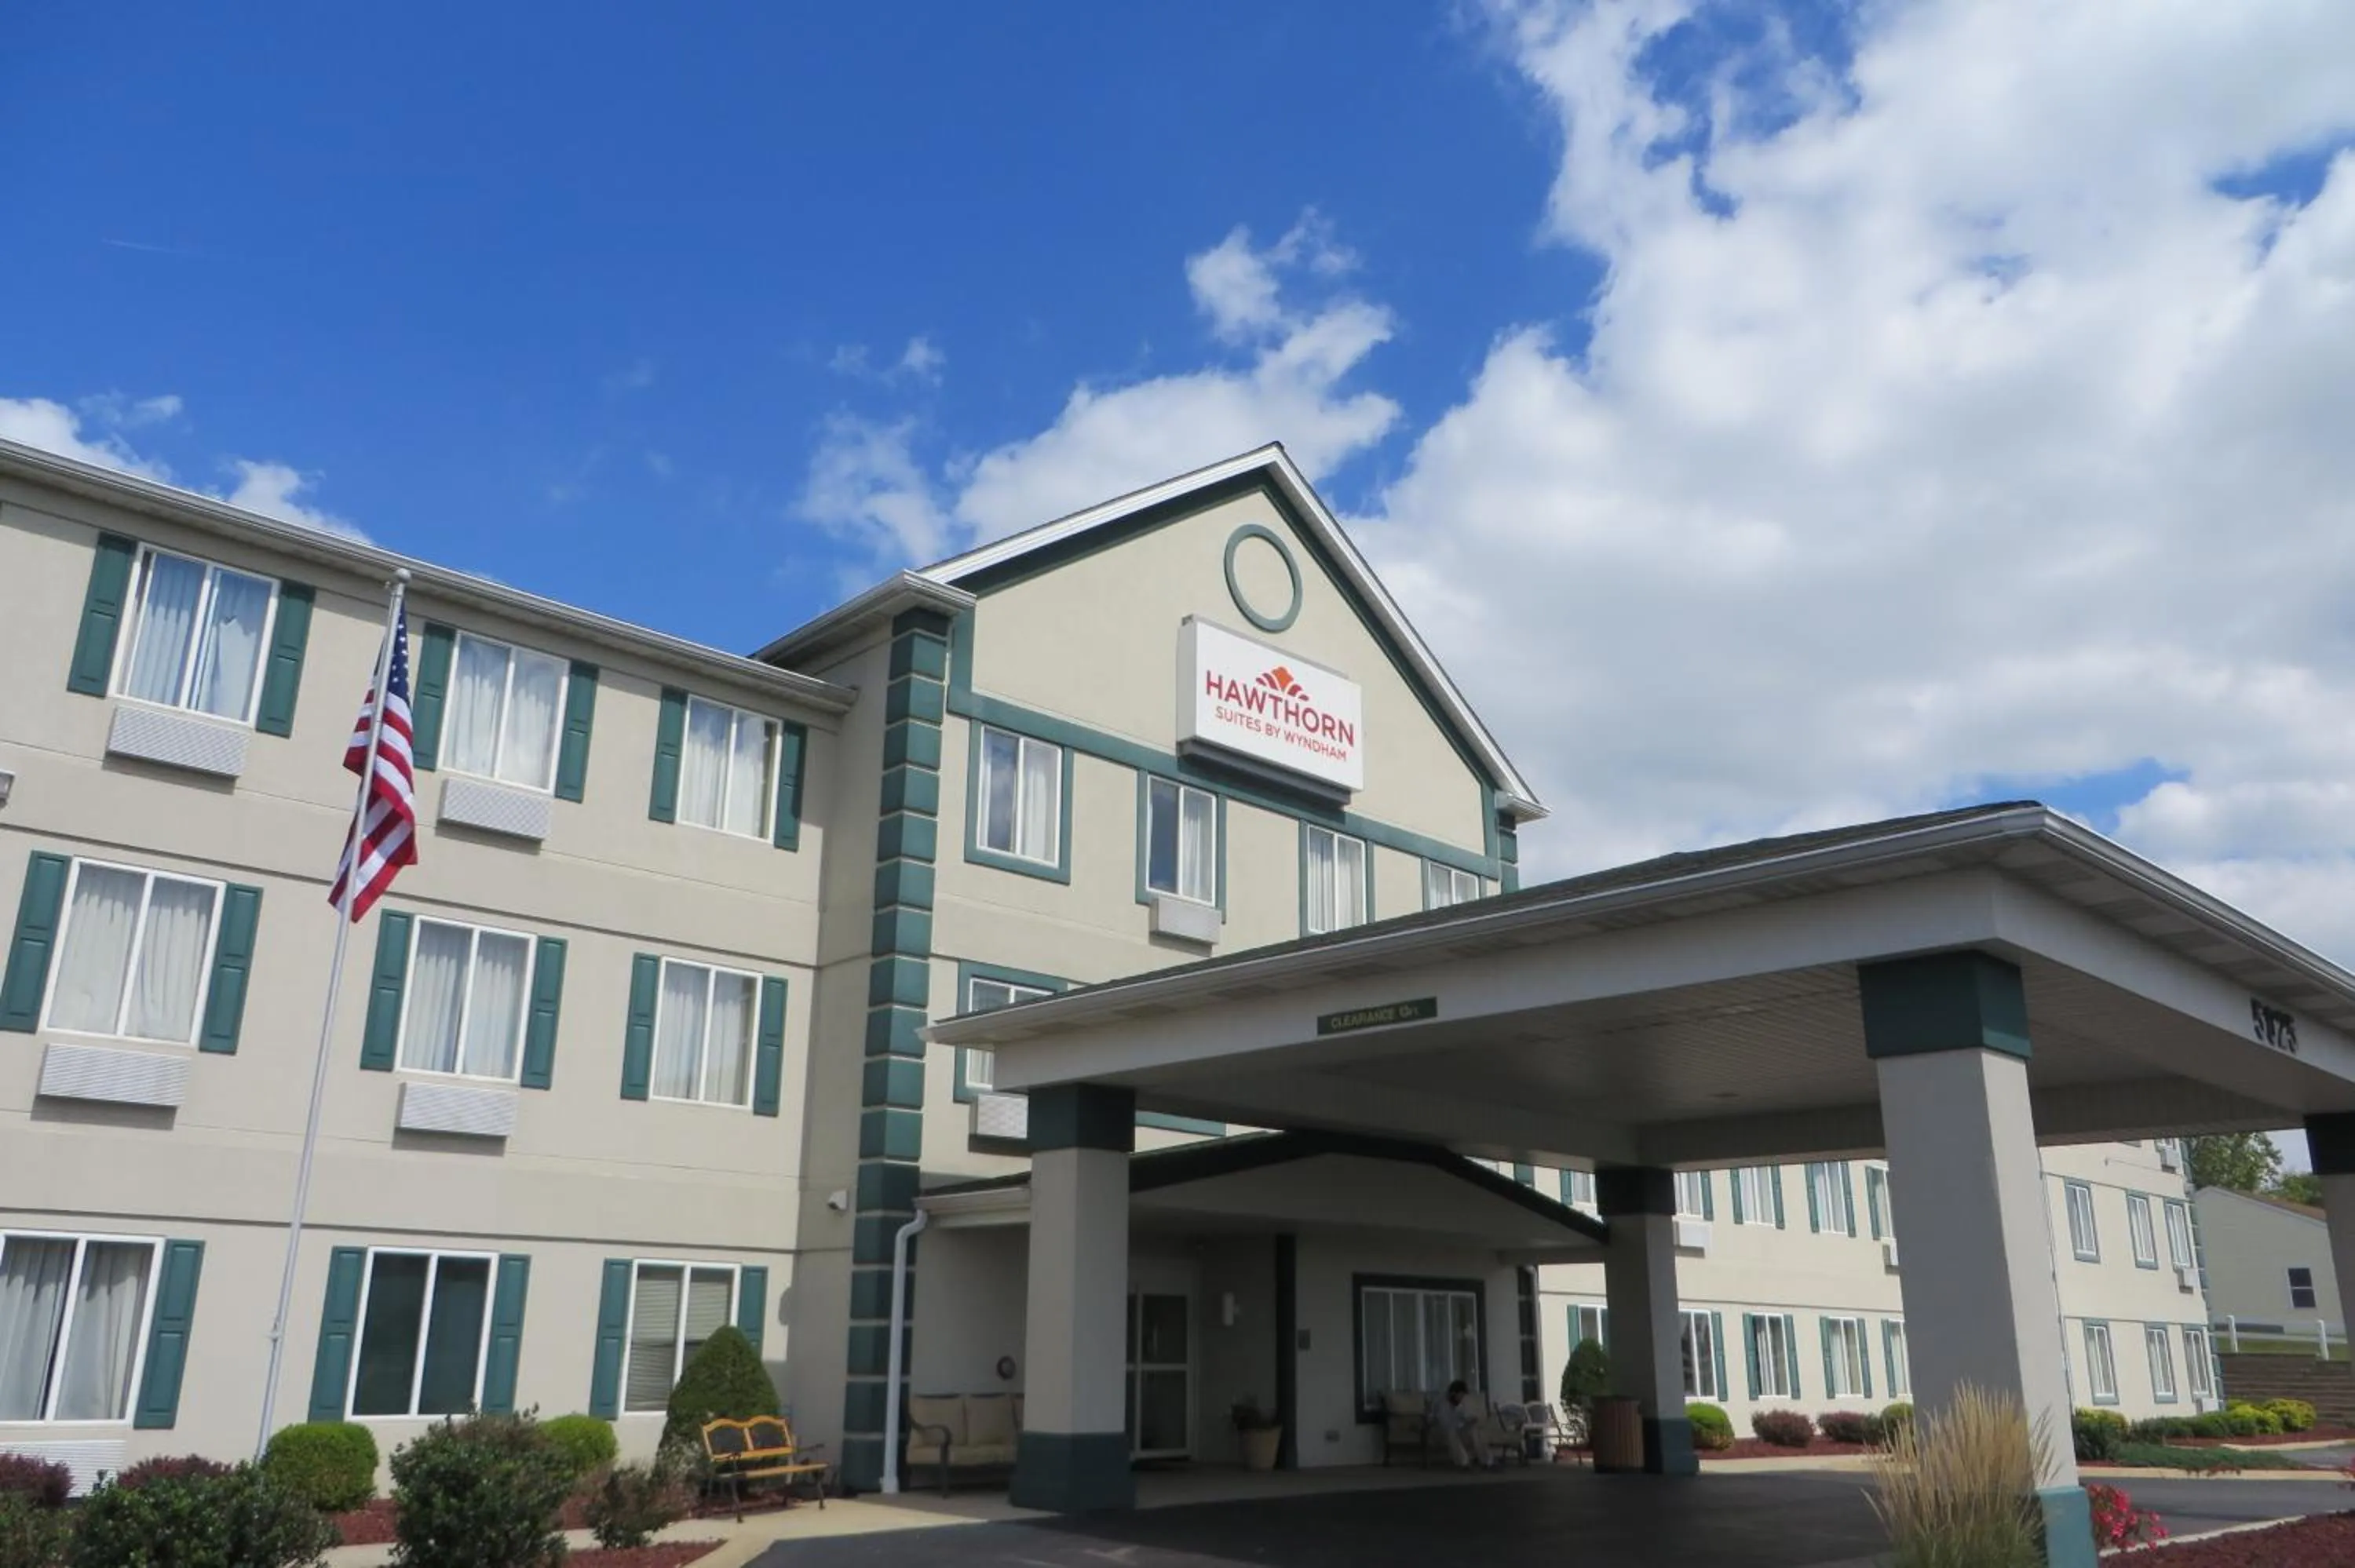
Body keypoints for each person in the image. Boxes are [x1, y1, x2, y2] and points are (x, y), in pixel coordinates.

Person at [1431, 1380, 1498, 1469]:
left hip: (1456, 1429)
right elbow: (1445, 1422)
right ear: (1454, 1393)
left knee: (1473, 1430)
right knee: (1451, 1432)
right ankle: (1463, 1463)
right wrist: (1460, 1424)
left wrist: (1468, 1421)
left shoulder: (1458, 1404)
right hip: (1438, 1430)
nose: (1462, 1398)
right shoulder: (1442, 1403)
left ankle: (1488, 1461)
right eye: (1461, 1395)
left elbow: (1461, 1417)